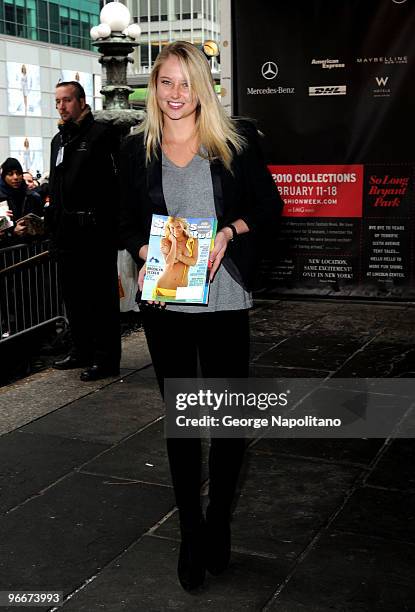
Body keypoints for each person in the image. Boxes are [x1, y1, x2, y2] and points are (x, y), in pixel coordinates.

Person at [119, 41, 283, 591]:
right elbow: (125, 220)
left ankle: (218, 522)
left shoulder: (234, 145)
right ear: (153, 87)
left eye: (186, 83)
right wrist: (145, 252)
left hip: (225, 297)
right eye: (165, 82)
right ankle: (191, 531)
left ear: (203, 87)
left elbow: (268, 208)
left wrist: (230, 233)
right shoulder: (136, 150)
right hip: (167, 301)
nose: (175, 94)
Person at [48, 80, 121, 381]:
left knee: (101, 299)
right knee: (74, 296)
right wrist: (52, 232)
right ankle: (81, 351)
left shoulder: (102, 135)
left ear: (81, 101)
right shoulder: (59, 140)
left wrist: (111, 229)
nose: (61, 107)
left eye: (66, 101)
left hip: (95, 233)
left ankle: (106, 360)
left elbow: (116, 188)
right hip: (67, 233)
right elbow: (55, 188)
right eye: (57, 102)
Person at [0, 157, 43, 243]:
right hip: (8, 248)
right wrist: (13, 231)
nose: (15, 177)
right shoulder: (1, 198)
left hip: (31, 247)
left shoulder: (32, 196)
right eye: (10, 174)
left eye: (18, 173)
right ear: (4, 177)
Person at [154, 216, 198, 298]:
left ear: (183, 226)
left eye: (178, 227)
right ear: (169, 228)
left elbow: (193, 262)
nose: (175, 230)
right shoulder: (165, 241)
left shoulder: (193, 241)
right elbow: (169, 263)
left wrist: (179, 256)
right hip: (164, 286)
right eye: (172, 228)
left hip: (182, 289)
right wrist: (174, 242)